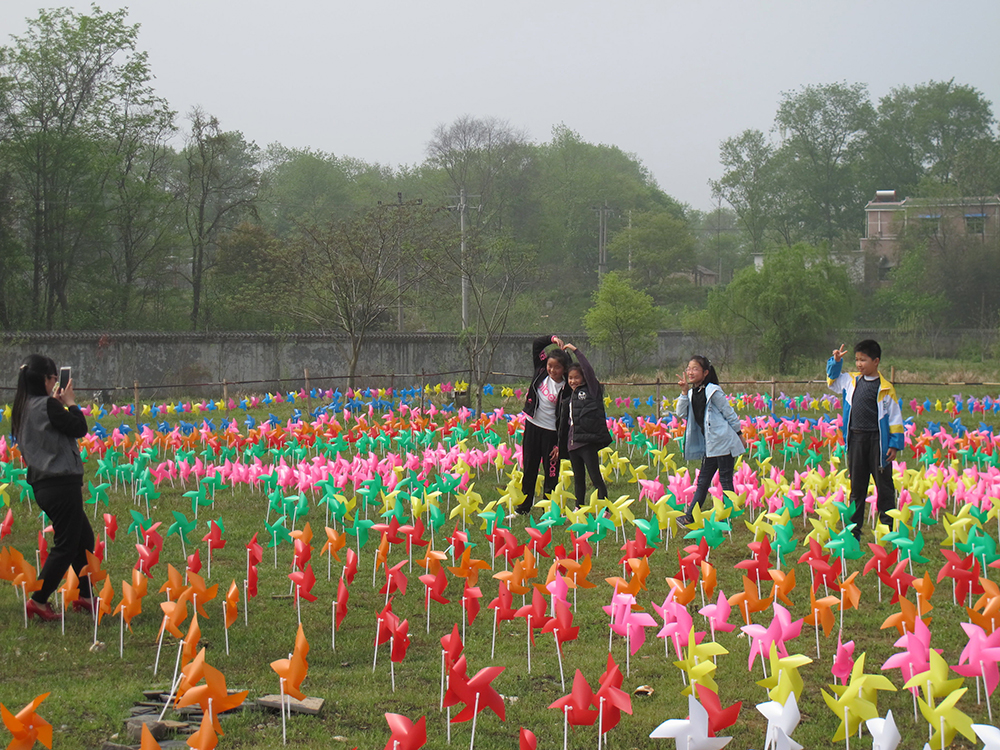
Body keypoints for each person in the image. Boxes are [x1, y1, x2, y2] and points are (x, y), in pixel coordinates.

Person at [11, 354, 93, 621]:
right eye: (54, 378)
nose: (56, 383)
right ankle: (39, 599)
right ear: (45, 379)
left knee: (84, 538)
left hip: (42, 484)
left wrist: (57, 406)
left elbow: (50, 432)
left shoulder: (24, 407)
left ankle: (86, 595)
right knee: (67, 545)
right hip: (61, 483)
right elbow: (80, 428)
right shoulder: (49, 405)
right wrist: (70, 404)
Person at [826, 339, 903, 538]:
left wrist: (894, 444)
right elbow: (832, 380)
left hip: (878, 441)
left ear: (876, 361)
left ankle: (887, 529)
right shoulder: (851, 381)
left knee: (884, 486)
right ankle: (853, 531)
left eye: (864, 360)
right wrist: (835, 362)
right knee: (857, 487)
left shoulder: (885, 388)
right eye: (857, 360)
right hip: (856, 439)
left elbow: (894, 417)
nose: (859, 364)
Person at [676, 356, 745, 526]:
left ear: (705, 372)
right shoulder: (692, 393)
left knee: (725, 480)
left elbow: (728, 412)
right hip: (710, 444)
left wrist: (739, 434)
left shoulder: (713, 390)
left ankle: (727, 517)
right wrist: (684, 392)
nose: (690, 372)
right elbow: (681, 413)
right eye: (689, 368)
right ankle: (690, 516)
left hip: (723, 442)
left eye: (695, 369)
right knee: (703, 481)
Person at [517, 335, 571, 515]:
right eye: (550, 365)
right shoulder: (540, 371)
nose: (552, 370)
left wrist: (560, 444)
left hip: (551, 434)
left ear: (564, 369)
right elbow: (536, 344)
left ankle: (549, 511)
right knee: (529, 467)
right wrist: (553, 338)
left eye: (557, 367)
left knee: (551, 473)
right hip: (532, 426)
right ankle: (524, 507)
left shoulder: (567, 387)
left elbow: (566, 419)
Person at [559, 343, 613, 508]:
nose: (573, 381)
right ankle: (579, 506)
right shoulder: (569, 396)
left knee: (595, 476)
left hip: (587, 442)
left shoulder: (591, 390)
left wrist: (575, 351)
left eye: (576, 377)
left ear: (583, 378)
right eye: (570, 378)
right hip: (573, 442)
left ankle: (605, 506)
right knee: (578, 478)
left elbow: (588, 370)